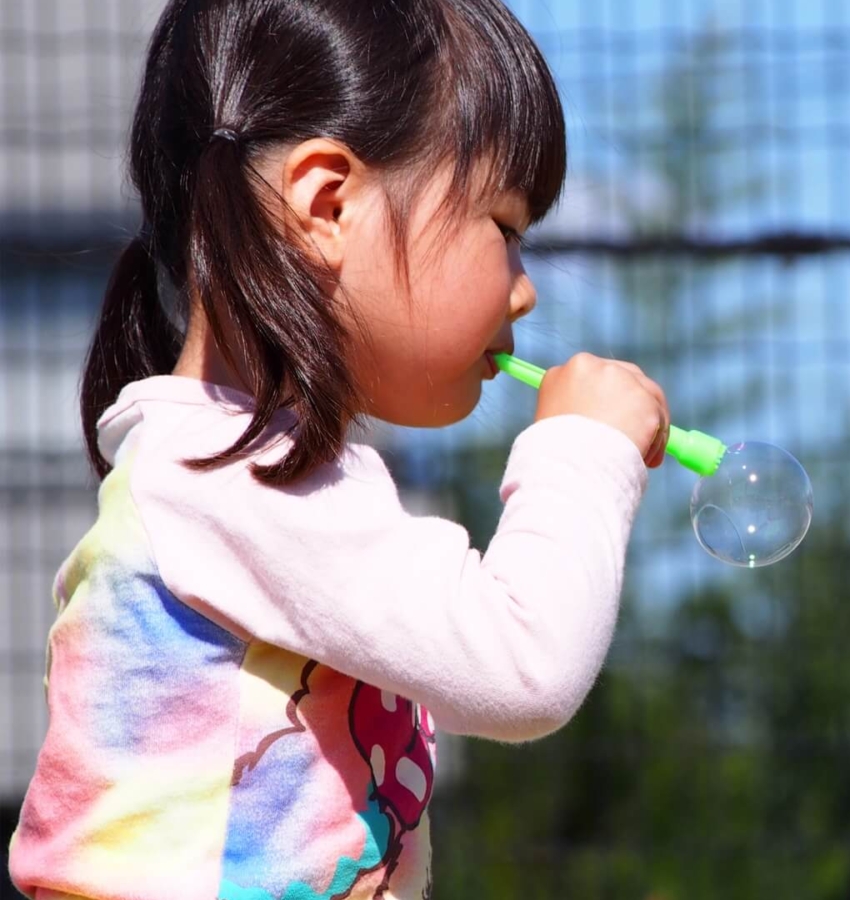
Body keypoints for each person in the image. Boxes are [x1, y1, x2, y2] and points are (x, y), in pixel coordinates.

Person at [7, 1, 669, 897]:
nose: (525, 295)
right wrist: (583, 451)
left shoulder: (220, 472)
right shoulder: (232, 477)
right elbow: (524, 666)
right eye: (506, 230)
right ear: (327, 203)